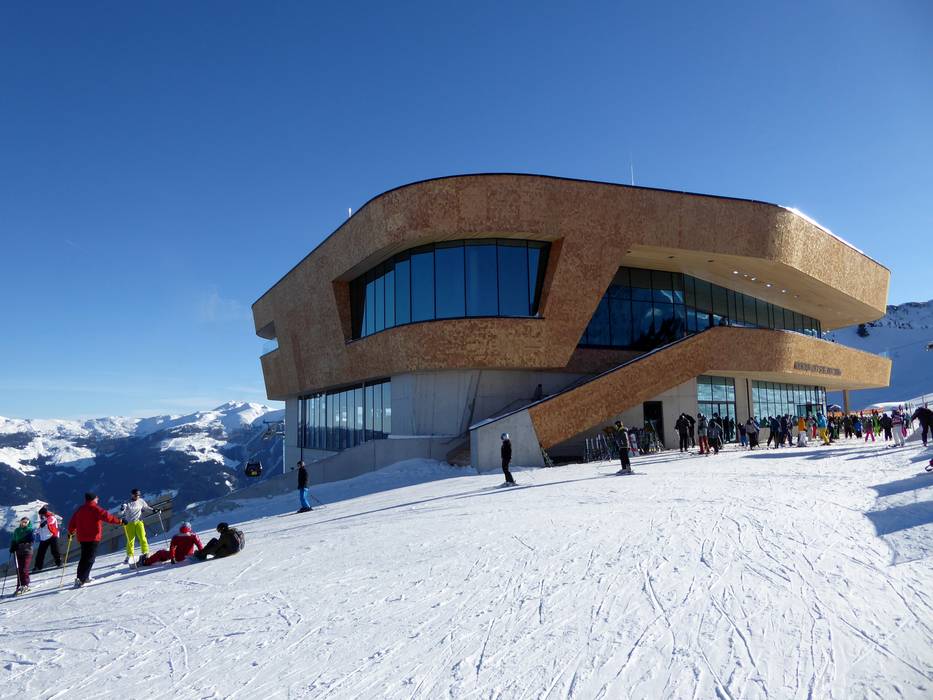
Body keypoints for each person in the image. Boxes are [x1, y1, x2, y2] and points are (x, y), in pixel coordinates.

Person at [68, 492, 124, 587]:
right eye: (97, 498)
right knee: (90, 558)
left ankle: (80, 577)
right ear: (93, 499)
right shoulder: (95, 508)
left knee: (84, 558)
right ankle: (83, 579)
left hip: (82, 537)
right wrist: (120, 521)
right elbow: (107, 517)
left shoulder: (80, 509)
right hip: (93, 537)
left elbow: (72, 522)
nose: (98, 499)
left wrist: (71, 532)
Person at [120, 488, 159, 565]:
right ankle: (129, 555)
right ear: (132, 495)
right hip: (129, 524)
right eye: (135, 495)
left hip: (139, 522)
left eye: (138, 495)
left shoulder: (141, 501)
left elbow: (146, 508)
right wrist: (122, 509)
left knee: (142, 537)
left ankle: (145, 552)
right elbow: (121, 513)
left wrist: (153, 510)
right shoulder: (127, 503)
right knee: (130, 540)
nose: (137, 496)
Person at [8, 516, 36, 595]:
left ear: (28, 523)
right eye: (22, 522)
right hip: (18, 552)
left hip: (27, 552)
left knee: (24, 569)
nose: (23, 524)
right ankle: (19, 585)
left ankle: (25, 584)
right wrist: (12, 547)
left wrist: (19, 545)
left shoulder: (30, 530)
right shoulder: (17, 530)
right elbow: (14, 540)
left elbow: (31, 542)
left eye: (25, 522)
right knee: (19, 569)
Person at [33, 506, 63, 571]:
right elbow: (41, 528)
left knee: (55, 550)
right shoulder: (43, 520)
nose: (40, 516)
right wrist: (36, 531)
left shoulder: (51, 517)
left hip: (52, 536)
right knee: (40, 552)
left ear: (43, 513)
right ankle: (38, 566)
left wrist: (45, 522)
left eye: (41, 514)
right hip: (44, 538)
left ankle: (59, 562)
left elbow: (50, 521)